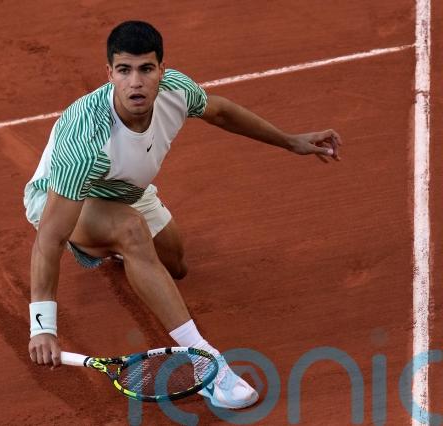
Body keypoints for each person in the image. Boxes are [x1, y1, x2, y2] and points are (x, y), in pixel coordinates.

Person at [24, 20, 341, 409]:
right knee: (131, 230)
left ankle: (121, 248)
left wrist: (290, 141)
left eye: (146, 69)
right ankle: (208, 365)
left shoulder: (177, 90)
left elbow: (221, 112)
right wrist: (42, 326)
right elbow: (50, 238)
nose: (135, 82)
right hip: (66, 197)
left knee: (176, 265)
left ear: (162, 69)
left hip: (128, 190)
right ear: (109, 74)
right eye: (124, 70)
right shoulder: (85, 143)